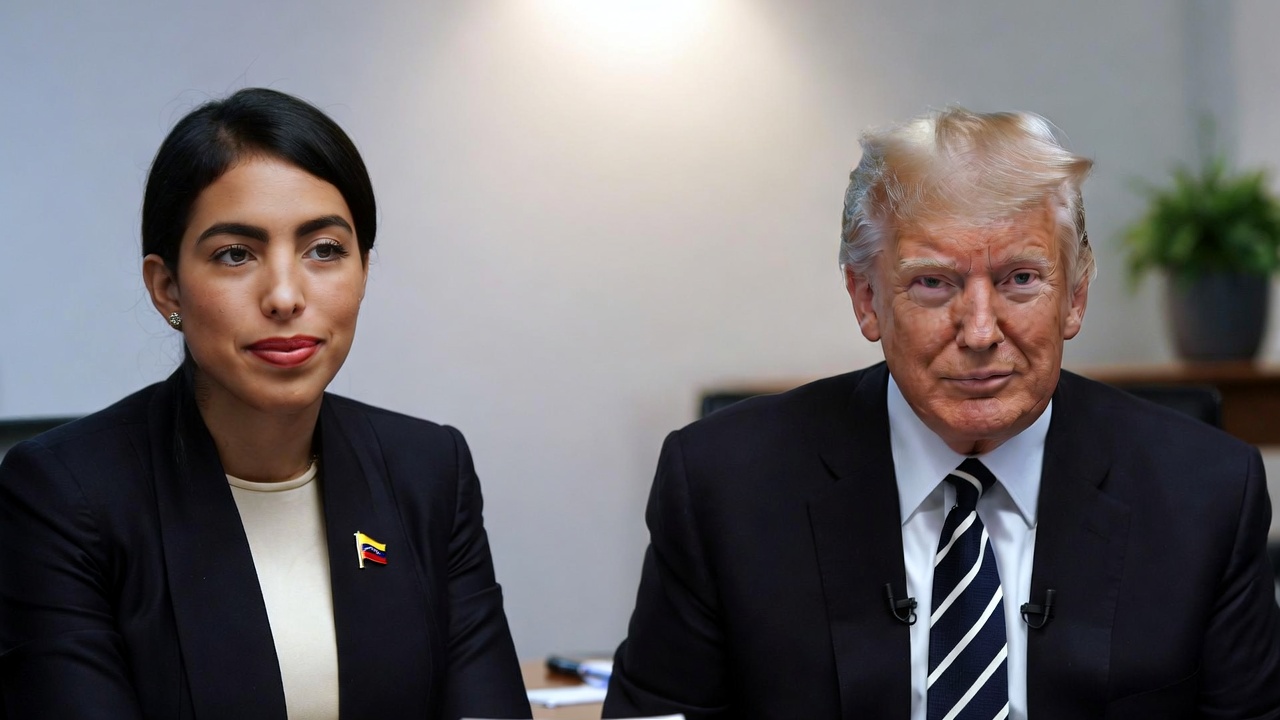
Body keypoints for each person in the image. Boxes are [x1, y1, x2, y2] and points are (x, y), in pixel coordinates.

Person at [603, 108, 1280, 719]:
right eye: (933, 283)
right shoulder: (724, 486)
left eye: (1020, 279)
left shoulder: (1207, 493)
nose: (980, 330)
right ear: (866, 298)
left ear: (1074, 296)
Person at [0, 88, 532, 720]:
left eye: (324, 250)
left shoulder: (428, 468)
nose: (284, 296)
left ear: (363, 271)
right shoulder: (63, 496)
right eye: (236, 254)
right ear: (167, 288)